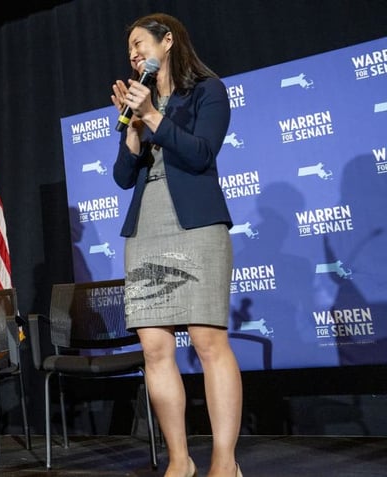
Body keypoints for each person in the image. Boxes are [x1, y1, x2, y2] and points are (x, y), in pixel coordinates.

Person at [110, 13, 243, 477]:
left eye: (139, 43)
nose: (133, 53)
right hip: (147, 227)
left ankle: (225, 460)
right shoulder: (138, 106)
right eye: (128, 47)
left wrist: (151, 114)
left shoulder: (207, 91)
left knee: (208, 343)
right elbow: (123, 177)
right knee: (154, 349)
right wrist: (131, 128)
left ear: (167, 42)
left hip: (197, 225)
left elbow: (202, 153)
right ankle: (180, 461)